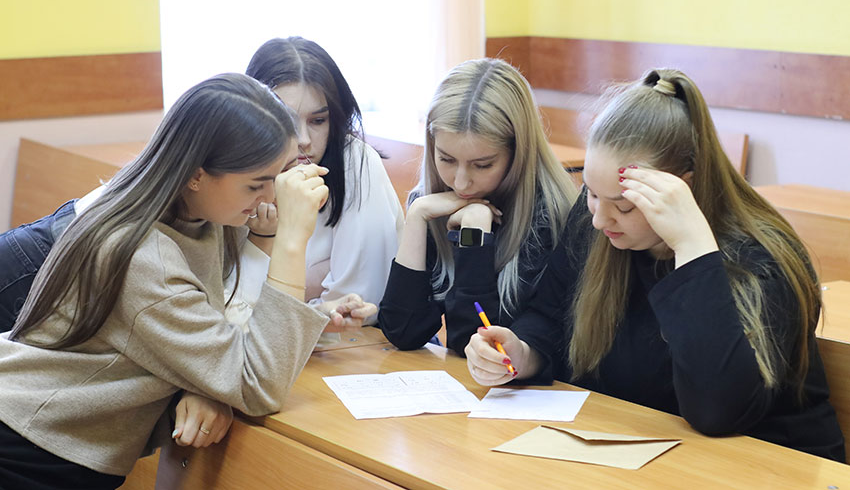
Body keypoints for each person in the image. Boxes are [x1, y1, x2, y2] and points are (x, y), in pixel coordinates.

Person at [465, 69, 845, 461]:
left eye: (625, 205)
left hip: (768, 465)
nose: (599, 219)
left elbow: (717, 411)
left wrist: (692, 245)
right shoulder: (601, 221)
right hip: (647, 449)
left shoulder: (761, 260)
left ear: (682, 189)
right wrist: (523, 353)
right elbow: (549, 314)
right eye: (591, 193)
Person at [0, 73, 342, 488]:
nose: (271, 198)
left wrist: (203, 383)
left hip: (50, 442)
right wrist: (290, 240)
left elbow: (218, 335)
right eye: (256, 184)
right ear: (196, 175)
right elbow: (257, 384)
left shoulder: (201, 215)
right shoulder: (145, 258)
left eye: (280, 176)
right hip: (27, 449)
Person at [378, 58, 579, 355]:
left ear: (518, 153)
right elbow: (402, 331)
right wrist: (417, 217)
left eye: (482, 165)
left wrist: (474, 236)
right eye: (446, 159)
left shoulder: (550, 215)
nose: (460, 182)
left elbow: (474, 343)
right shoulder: (431, 204)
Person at [245, 37, 403, 326]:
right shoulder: (237, 166)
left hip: (357, 342)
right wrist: (310, 286)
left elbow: (358, 305)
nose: (303, 139)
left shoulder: (357, 163)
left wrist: (297, 295)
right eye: (286, 120)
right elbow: (230, 299)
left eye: (318, 121)